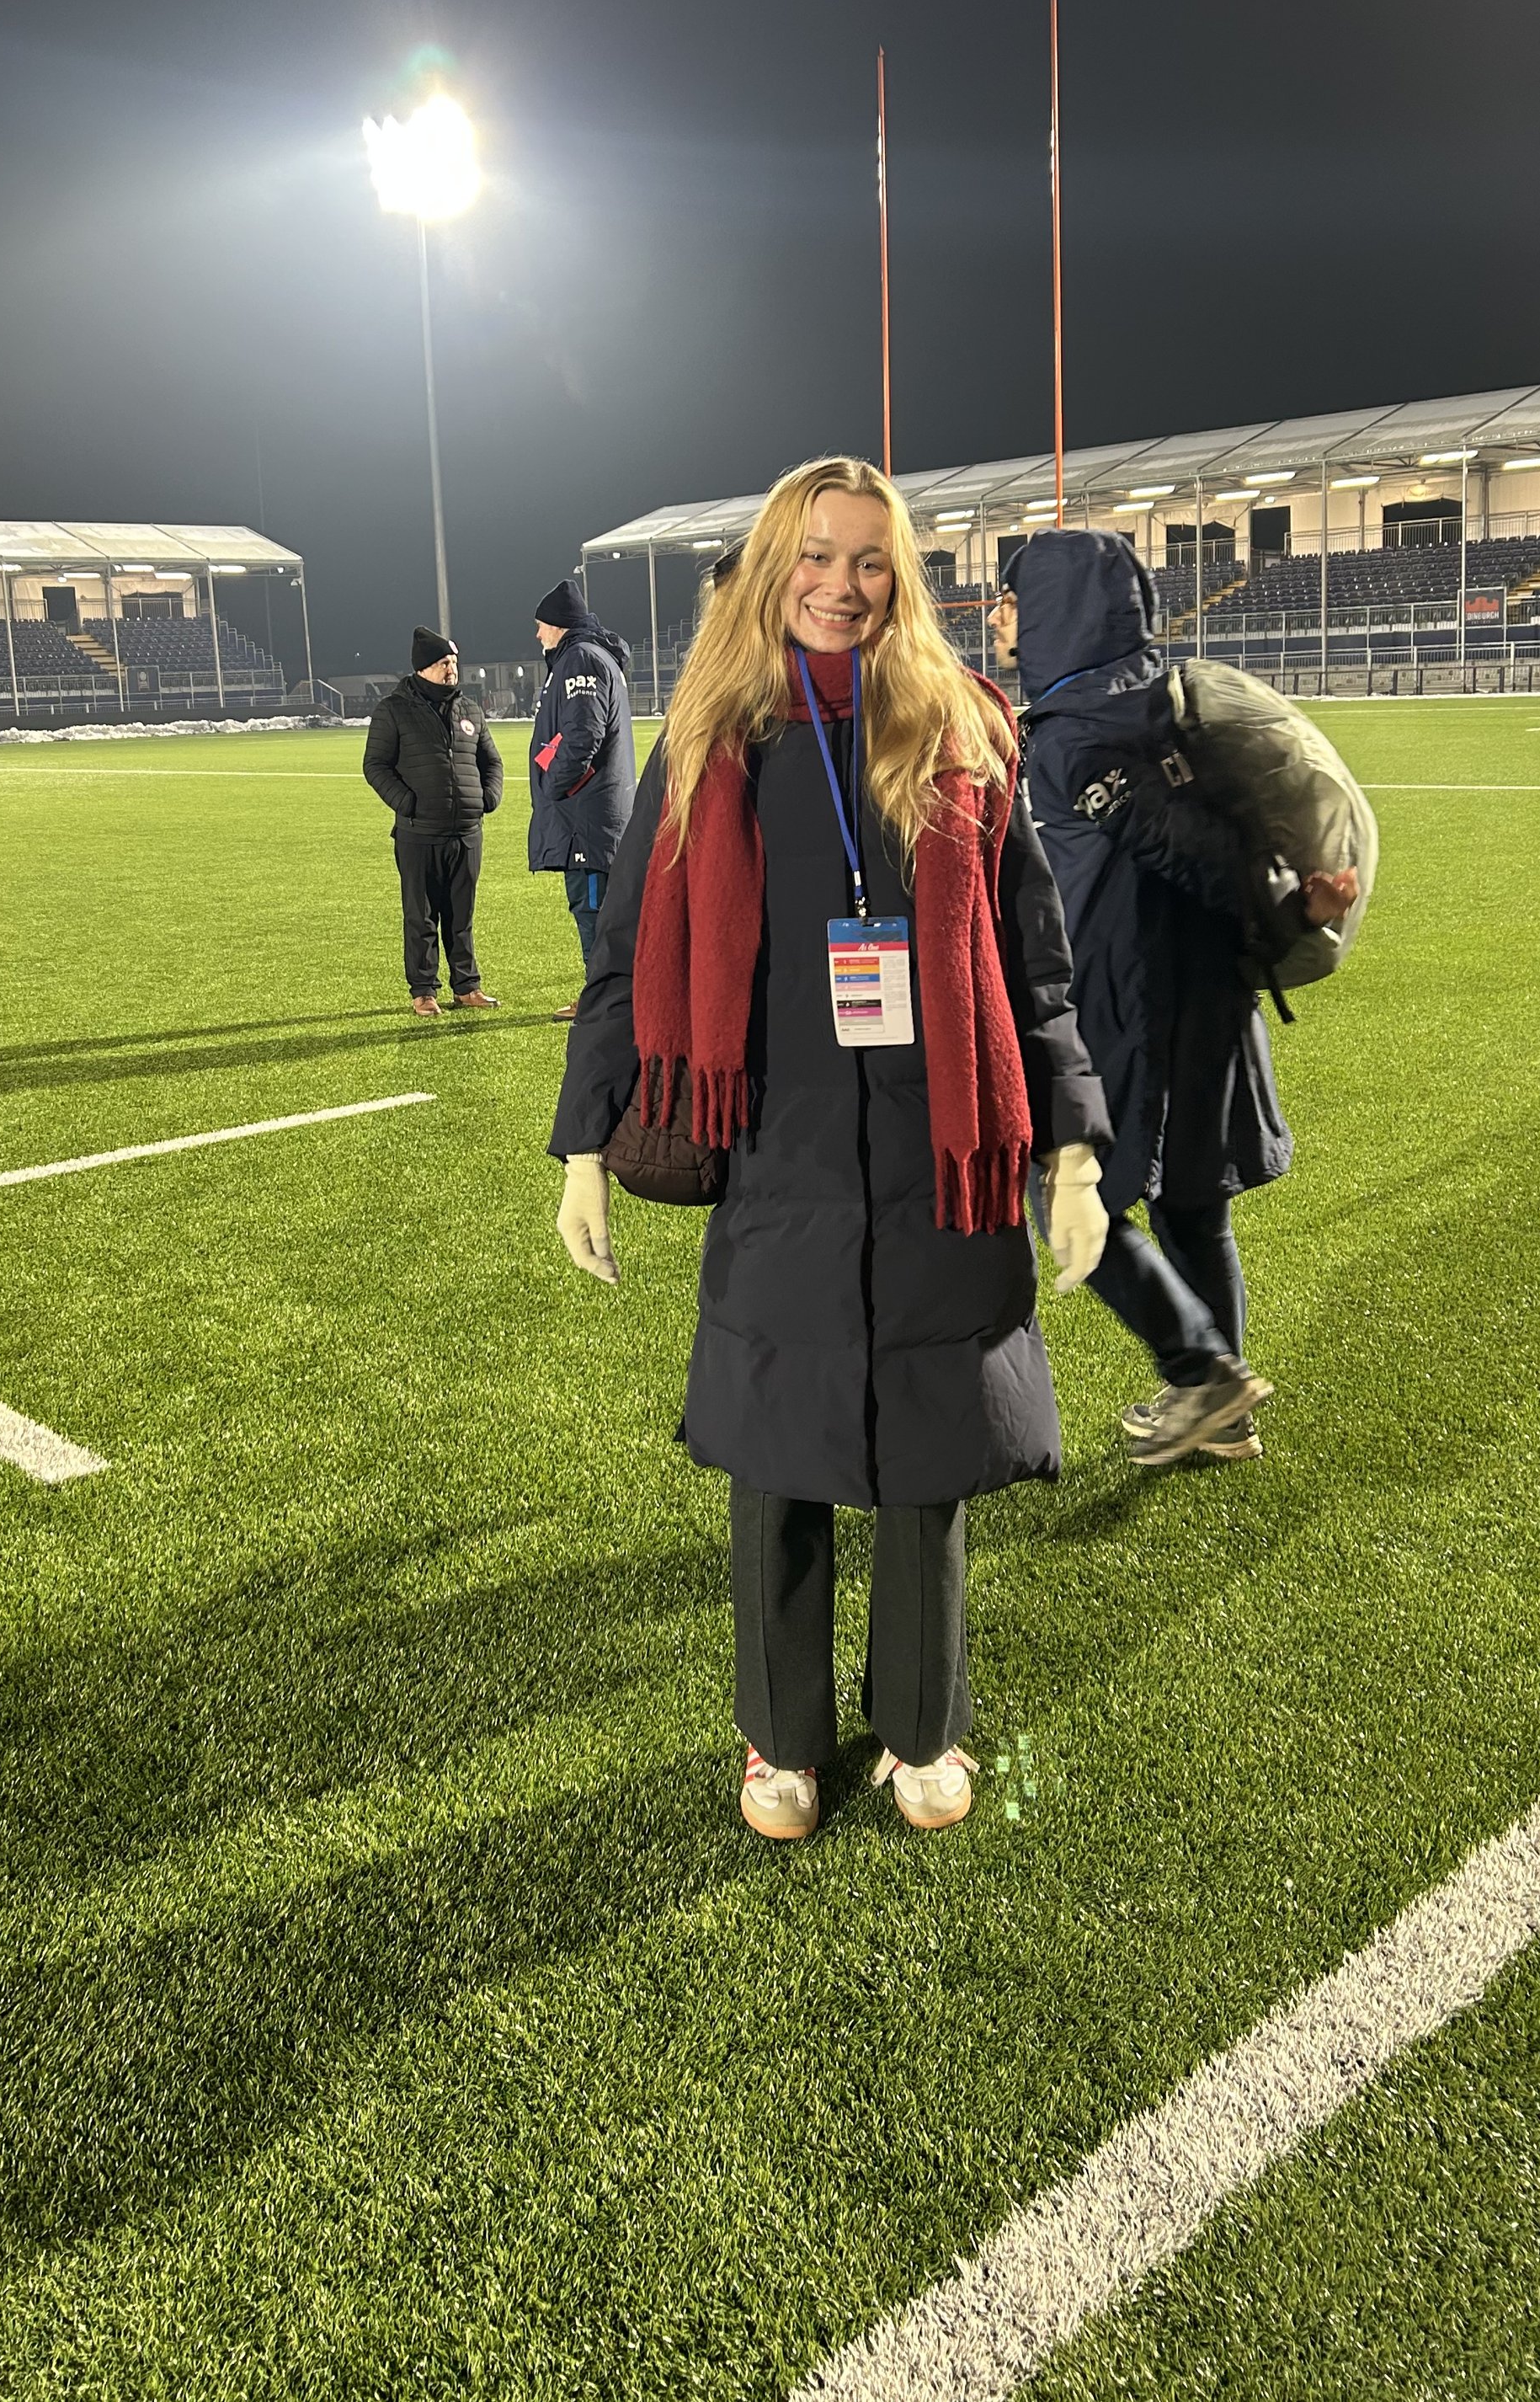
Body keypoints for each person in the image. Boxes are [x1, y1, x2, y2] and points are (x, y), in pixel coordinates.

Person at [549, 457, 1111, 1844]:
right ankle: (779, 1736)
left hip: (943, 1151)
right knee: (777, 1454)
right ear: (769, 568)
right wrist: (580, 1147)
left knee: (927, 1462)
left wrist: (1074, 1148)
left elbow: (1035, 960)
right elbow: (623, 959)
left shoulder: (967, 729)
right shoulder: (711, 735)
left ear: (901, 573)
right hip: (779, 1148)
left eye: (869, 559)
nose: (840, 585)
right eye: (815, 556)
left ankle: (924, 1724)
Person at [994, 533, 1356, 1465]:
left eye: (1011, 601)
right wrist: (1277, 919)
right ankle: (1221, 1411)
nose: (999, 618)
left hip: (1132, 1001)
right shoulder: (1158, 702)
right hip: (1208, 988)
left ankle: (1201, 1374)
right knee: (1193, 1202)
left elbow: (1182, 845)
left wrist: (1280, 909)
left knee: (1067, 1195)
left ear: (1055, 611)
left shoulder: (1081, 731)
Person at [362, 625, 504, 1018]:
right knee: (421, 915)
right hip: (418, 834)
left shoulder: (469, 709)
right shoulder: (394, 710)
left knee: (462, 915)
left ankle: (467, 986)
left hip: (466, 833)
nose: (452, 669)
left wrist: (487, 797)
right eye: (444, 663)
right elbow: (375, 766)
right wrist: (407, 803)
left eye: (454, 662)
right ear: (424, 668)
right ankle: (424, 990)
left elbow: (490, 760)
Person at [527, 577, 637, 1020]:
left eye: (541, 626)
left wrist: (554, 788)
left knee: (594, 910)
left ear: (559, 625)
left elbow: (583, 736)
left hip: (587, 822)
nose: (537, 635)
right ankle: (613, 998)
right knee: (603, 909)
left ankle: (605, 1002)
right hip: (594, 816)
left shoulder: (581, 660)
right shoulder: (590, 658)